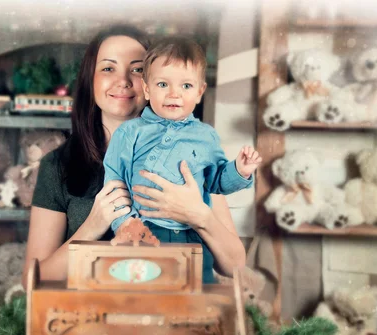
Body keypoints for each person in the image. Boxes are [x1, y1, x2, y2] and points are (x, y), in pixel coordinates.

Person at [23, 25, 248, 286]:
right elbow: (32, 280)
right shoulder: (57, 165)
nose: (124, 81)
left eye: (137, 69)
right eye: (108, 68)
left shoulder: (192, 148)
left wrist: (199, 215)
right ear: (89, 79)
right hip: (91, 317)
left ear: (152, 80)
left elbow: (235, 265)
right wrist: (92, 227)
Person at [103, 37, 262, 283]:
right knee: (144, 299)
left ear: (199, 92)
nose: (174, 94)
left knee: (197, 299)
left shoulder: (206, 136)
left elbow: (217, 181)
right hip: (145, 233)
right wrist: (125, 224)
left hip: (194, 237)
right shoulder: (129, 133)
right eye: (163, 84)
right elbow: (114, 182)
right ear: (147, 89)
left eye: (186, 86)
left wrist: (240, 171)